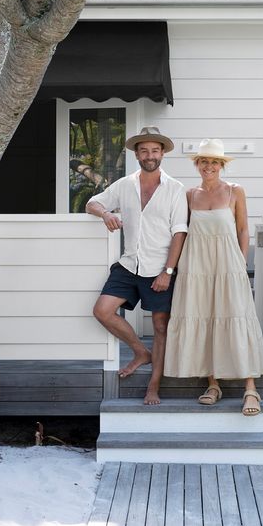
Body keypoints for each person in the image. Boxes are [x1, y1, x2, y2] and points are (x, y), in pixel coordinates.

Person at [164, 138, 263, 415]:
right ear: (197, 164)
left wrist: (241, 262)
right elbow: (181, 231)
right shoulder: (189, 195)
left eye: (214, 162)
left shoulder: (235, 191)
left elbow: (243, 229)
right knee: (204, 316)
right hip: (196, 265)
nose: (209, 166)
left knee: (237, 315)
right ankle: (213, 384)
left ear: (222, 166)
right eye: (204, 161)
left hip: (228, 264)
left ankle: (250, 388)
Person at [86, 127, 188, 405]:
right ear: (136, 153)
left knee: (160, 326)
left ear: (162, 153)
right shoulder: (124, 185)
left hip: (159, 267)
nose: (150, 155)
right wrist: (106, 213)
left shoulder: (176, 189)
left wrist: (168, 271)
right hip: (129, 263)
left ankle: (153, 387)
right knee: (103, 311)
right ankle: (140, 352)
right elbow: (92, 203)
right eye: (144, 151)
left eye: (155, 150)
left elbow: (180, 232)